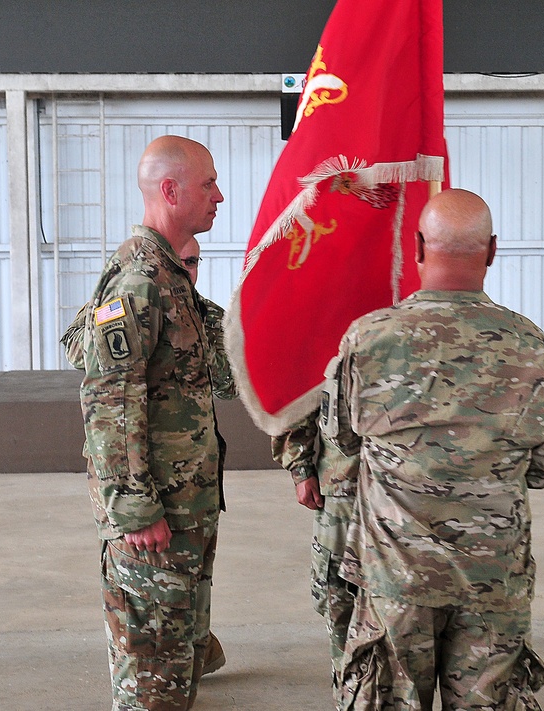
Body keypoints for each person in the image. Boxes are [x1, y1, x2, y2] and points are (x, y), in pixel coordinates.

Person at [324, 188, 544, 710]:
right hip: (494, 578)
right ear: (492, 250)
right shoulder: (529, 344)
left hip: (397, 578)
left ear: (417, 246)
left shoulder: (369, 338)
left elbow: (343, 444)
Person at [74, 135, 225, 710]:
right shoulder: (139, 281)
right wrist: (135, 508)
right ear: (171, 190)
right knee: (150, 679)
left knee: (175, 665)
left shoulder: (170, 275)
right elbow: (109, 399)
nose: (219, 196)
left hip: (184, 506)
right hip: (154, 516)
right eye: (208, 184)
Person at [61, 236, 234, 680]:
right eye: (182, 262)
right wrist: (133, 504)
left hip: (193, 481)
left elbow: (230, 383)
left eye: (195, 262)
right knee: (147, 605)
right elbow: (85, 357)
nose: (189, 270)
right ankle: (163, 669)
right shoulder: (130, 295)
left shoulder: (205, 315)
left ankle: (194, 650)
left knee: (194, 580)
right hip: (143, 477)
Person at [271, 408, 359, 698]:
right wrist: (300, 467)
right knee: (339, 596)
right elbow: (297, 397)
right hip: (343, 482)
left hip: (413, 489)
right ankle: (348, 692)